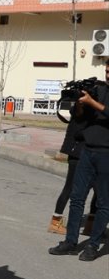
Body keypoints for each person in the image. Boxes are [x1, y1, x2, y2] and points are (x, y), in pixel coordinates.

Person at [48, 64, 109, 261]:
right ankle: (70, 242)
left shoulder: (98, 96)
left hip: (107, 155)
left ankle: (93, 245)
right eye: (107, 70)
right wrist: (82, 103)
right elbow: (79, 116)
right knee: (77, 198)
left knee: (103, 203)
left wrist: (93, 102)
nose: (108, 74)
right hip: (87, 151)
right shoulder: (98, 89)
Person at [48, 100, 97, 235]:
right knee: (70, 187)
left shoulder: (85, 111)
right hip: (78, 154)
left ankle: (90, 224)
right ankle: (55, 221)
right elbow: (79, 134)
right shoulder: (82, 112)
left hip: (88, 154)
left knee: (98, 189)